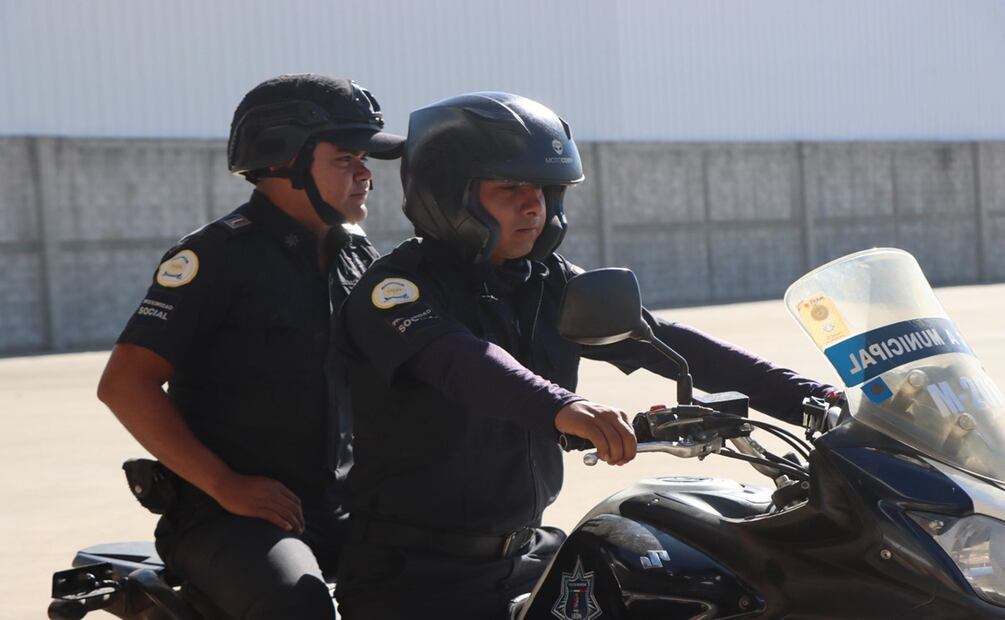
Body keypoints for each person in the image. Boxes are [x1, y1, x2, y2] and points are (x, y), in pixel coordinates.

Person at [333, 91, 835, 619]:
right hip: (416, 581)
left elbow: (667, 341)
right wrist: (566, 408)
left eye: (547, 190)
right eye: (511, 189)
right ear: (448, 195)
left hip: (527, 554)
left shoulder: (543, 280)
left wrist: (814, 397)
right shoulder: (396, 289)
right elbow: (465, 363)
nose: (535, 206)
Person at [96, 73, 404, 619]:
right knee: (299, 608)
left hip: (340, 511)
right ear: (283, 159)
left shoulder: (359, 258)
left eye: (366, 161)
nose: (365, 177)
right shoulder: (215, 257)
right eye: (345, 160)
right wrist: (225, 485)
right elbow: (125, 382)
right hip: (229, 519)